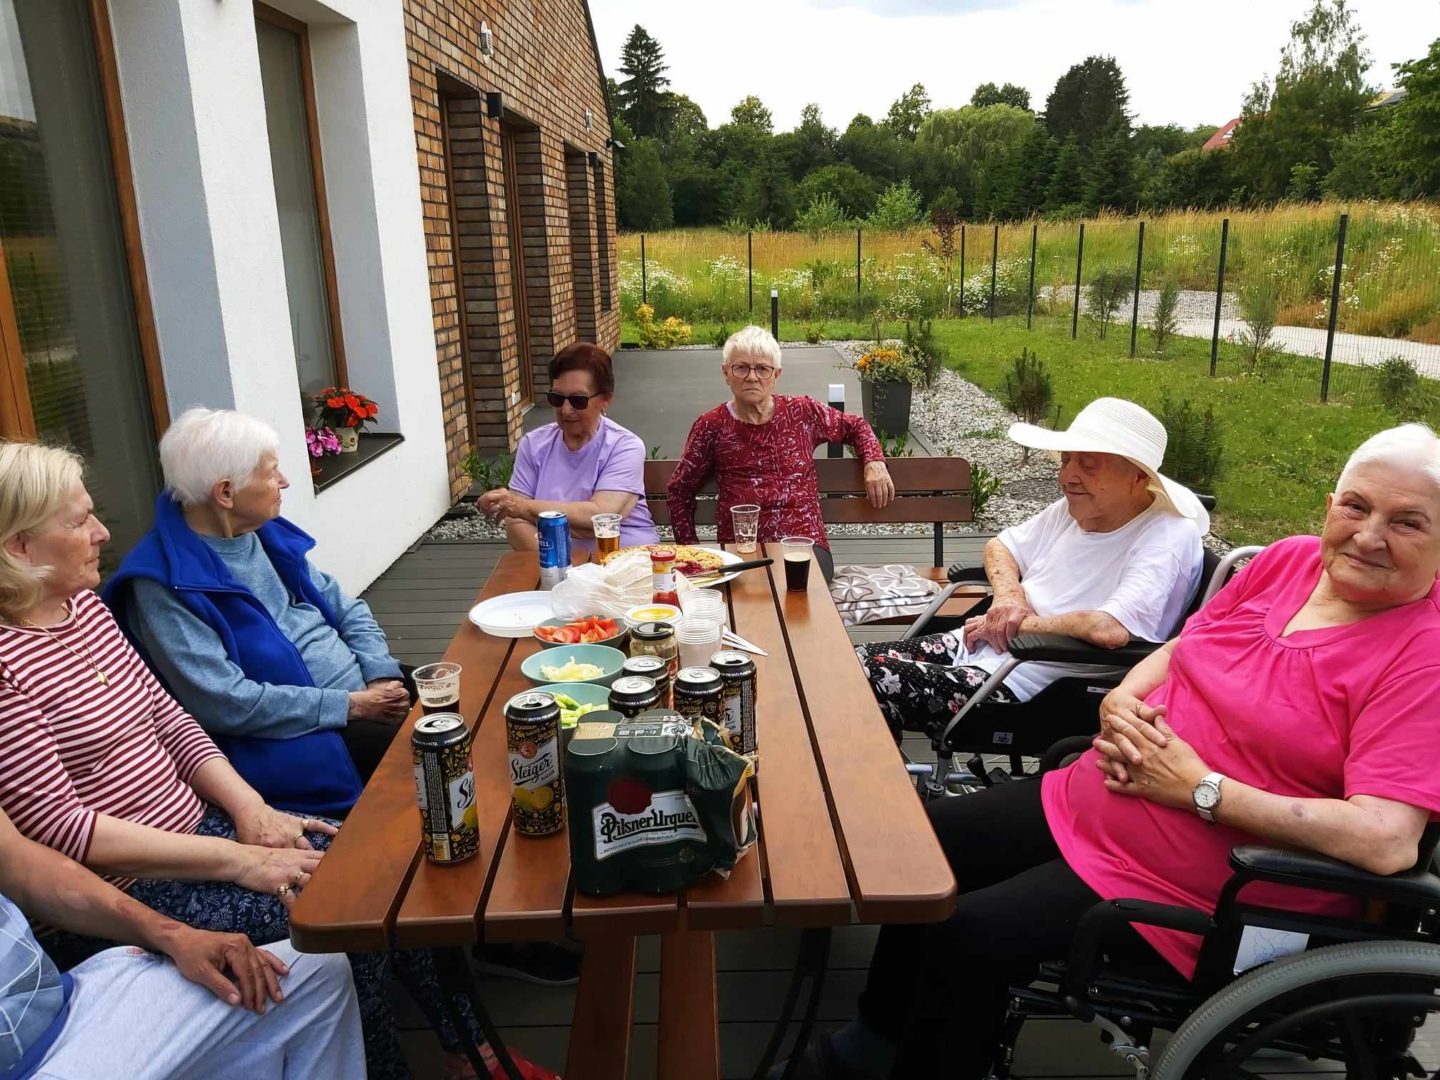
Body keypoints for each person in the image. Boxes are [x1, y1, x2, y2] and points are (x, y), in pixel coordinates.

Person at [784, 423, 1440, 1078]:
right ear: (1330, 506)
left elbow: (1386, 840)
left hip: (1207, 880)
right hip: (1098, 795)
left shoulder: (1422, 654)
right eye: (1356, 507)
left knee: (969, 936)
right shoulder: (1288, 562)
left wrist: (1201, 789)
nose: (1369, 536)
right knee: (921, 848)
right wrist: (1121, 698)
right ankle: (875, 1040)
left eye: (1407, 522)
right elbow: (1184, 646)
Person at [0, 440, 556, 1080]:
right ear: (20, 548)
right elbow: (64, 831)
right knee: (343, 918)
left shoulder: (84, 610)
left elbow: (171, 721)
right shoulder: (11, 665)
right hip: (128, 886)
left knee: (387, 867)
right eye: (79, 522)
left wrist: (251, 810)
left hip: (205, 828)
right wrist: (237, 857)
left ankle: (471, 1050)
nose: (103, 531)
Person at [104, 407, 410, 807]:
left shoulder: (262, 532)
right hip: (298, 739)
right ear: (225, 493)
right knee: (432, 754)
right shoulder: (163, 581)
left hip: (363, 697)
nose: (284, 481)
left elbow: (347, 608)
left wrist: (380, 675)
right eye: (270, 472)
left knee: (464, 694)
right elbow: (225, 702)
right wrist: (351, 706)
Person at [855, 397, 1208, 739]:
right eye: (1066, 460)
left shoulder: (1166, 537)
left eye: (1088, 464)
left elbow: (1109, 629)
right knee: (848, 664)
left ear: (1138, 477)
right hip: (986, 648)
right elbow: (1001, 546)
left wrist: (1016, 624)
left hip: (1031, 683)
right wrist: (1009, 598)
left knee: (866, 678)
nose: (1067, 476)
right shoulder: (1078, 507)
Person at [0, 803, 364, 1079]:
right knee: (333, 908)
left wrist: (175, 935)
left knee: (318, 971)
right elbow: (65, 826)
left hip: (64, 1003)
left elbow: (22, 867)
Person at [666, 325, 895, 584]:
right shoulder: (712, 426)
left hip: (804, 545)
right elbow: (679, 490)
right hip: (742, 550)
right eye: (741, 368)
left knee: (795, 586)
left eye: (762, 369)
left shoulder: (802, 412)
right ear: (726, 373)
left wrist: (874, 462)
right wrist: (693, 553)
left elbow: (856, 426)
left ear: (776, 375)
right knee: (754, 592)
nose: (752, 377)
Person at [476, 342, 658, 556]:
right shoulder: (533, 445)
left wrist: (525, 508)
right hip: (554, 564)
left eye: (577, 400)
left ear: (605, 400)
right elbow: (515, 523)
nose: (565, 409)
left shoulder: (625, 446)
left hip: (625, 560)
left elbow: (600, 517)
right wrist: (559, 562)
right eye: (557, 398)